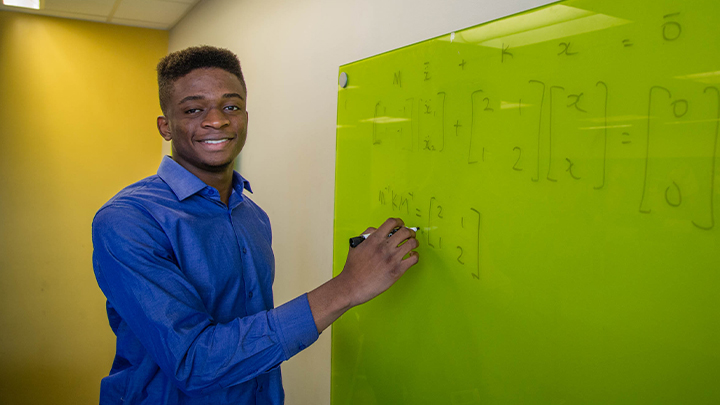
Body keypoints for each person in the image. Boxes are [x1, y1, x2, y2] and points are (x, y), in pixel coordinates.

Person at [91, 45, 419, 404]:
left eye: (230, 106)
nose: (216, 121)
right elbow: (194, 363)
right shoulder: (128, 220)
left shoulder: (252, 216)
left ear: (245, 116)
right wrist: (348, 286)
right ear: (165, 126)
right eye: (193, 109)